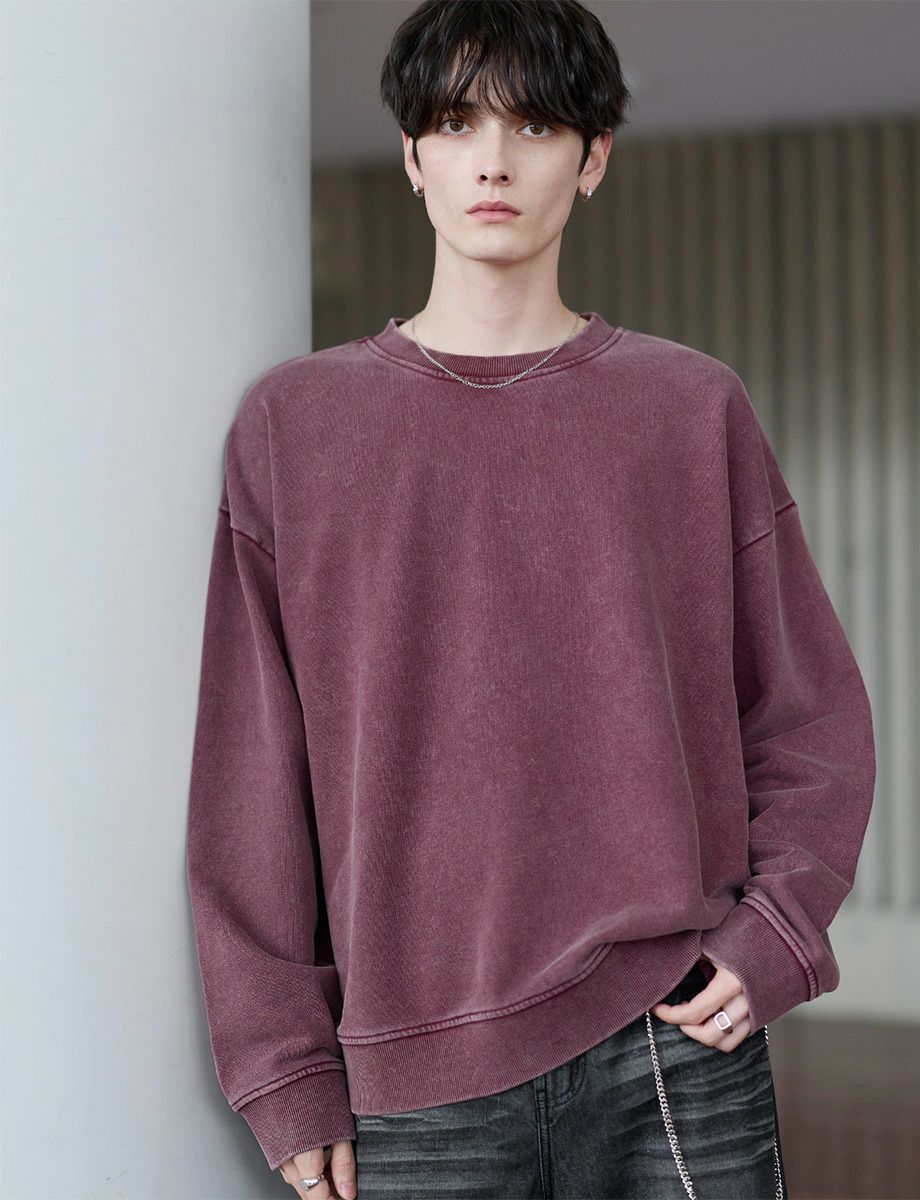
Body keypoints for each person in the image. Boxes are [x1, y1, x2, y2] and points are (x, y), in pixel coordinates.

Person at [185, 2, 877, 1198]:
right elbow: (250, 778)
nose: (493, 161)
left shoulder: (688, 410)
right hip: (412, 1069)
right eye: (456, 124)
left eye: (536, 126)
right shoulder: (295, 429)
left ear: (593, 157)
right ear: (412, 155)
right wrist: (281, 1064)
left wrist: (776, 928)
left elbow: (807, 712)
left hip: (673, 1040)